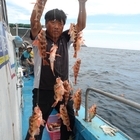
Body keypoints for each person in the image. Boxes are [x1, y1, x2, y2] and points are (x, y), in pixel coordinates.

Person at [25, 0, 87, 140]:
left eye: (60, 23)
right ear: (46, 23)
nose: (57, 26)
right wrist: (41, 2)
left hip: (64, 90)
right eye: (53, 22)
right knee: (36, 127)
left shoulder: (66, 38)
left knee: (69, 121)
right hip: (43, 91)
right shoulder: (39, 38)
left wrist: (82, 3)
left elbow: (81, 25)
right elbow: (34, 22)